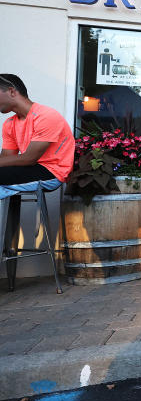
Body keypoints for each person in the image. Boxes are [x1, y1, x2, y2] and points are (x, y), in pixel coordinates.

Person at [1, 74, 75, 274]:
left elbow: (29, 159)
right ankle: (6, 255)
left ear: (11, 91)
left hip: (51, 172)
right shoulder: (9, 124)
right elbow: (7, 160)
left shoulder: (46, 116)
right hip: (29, 170)